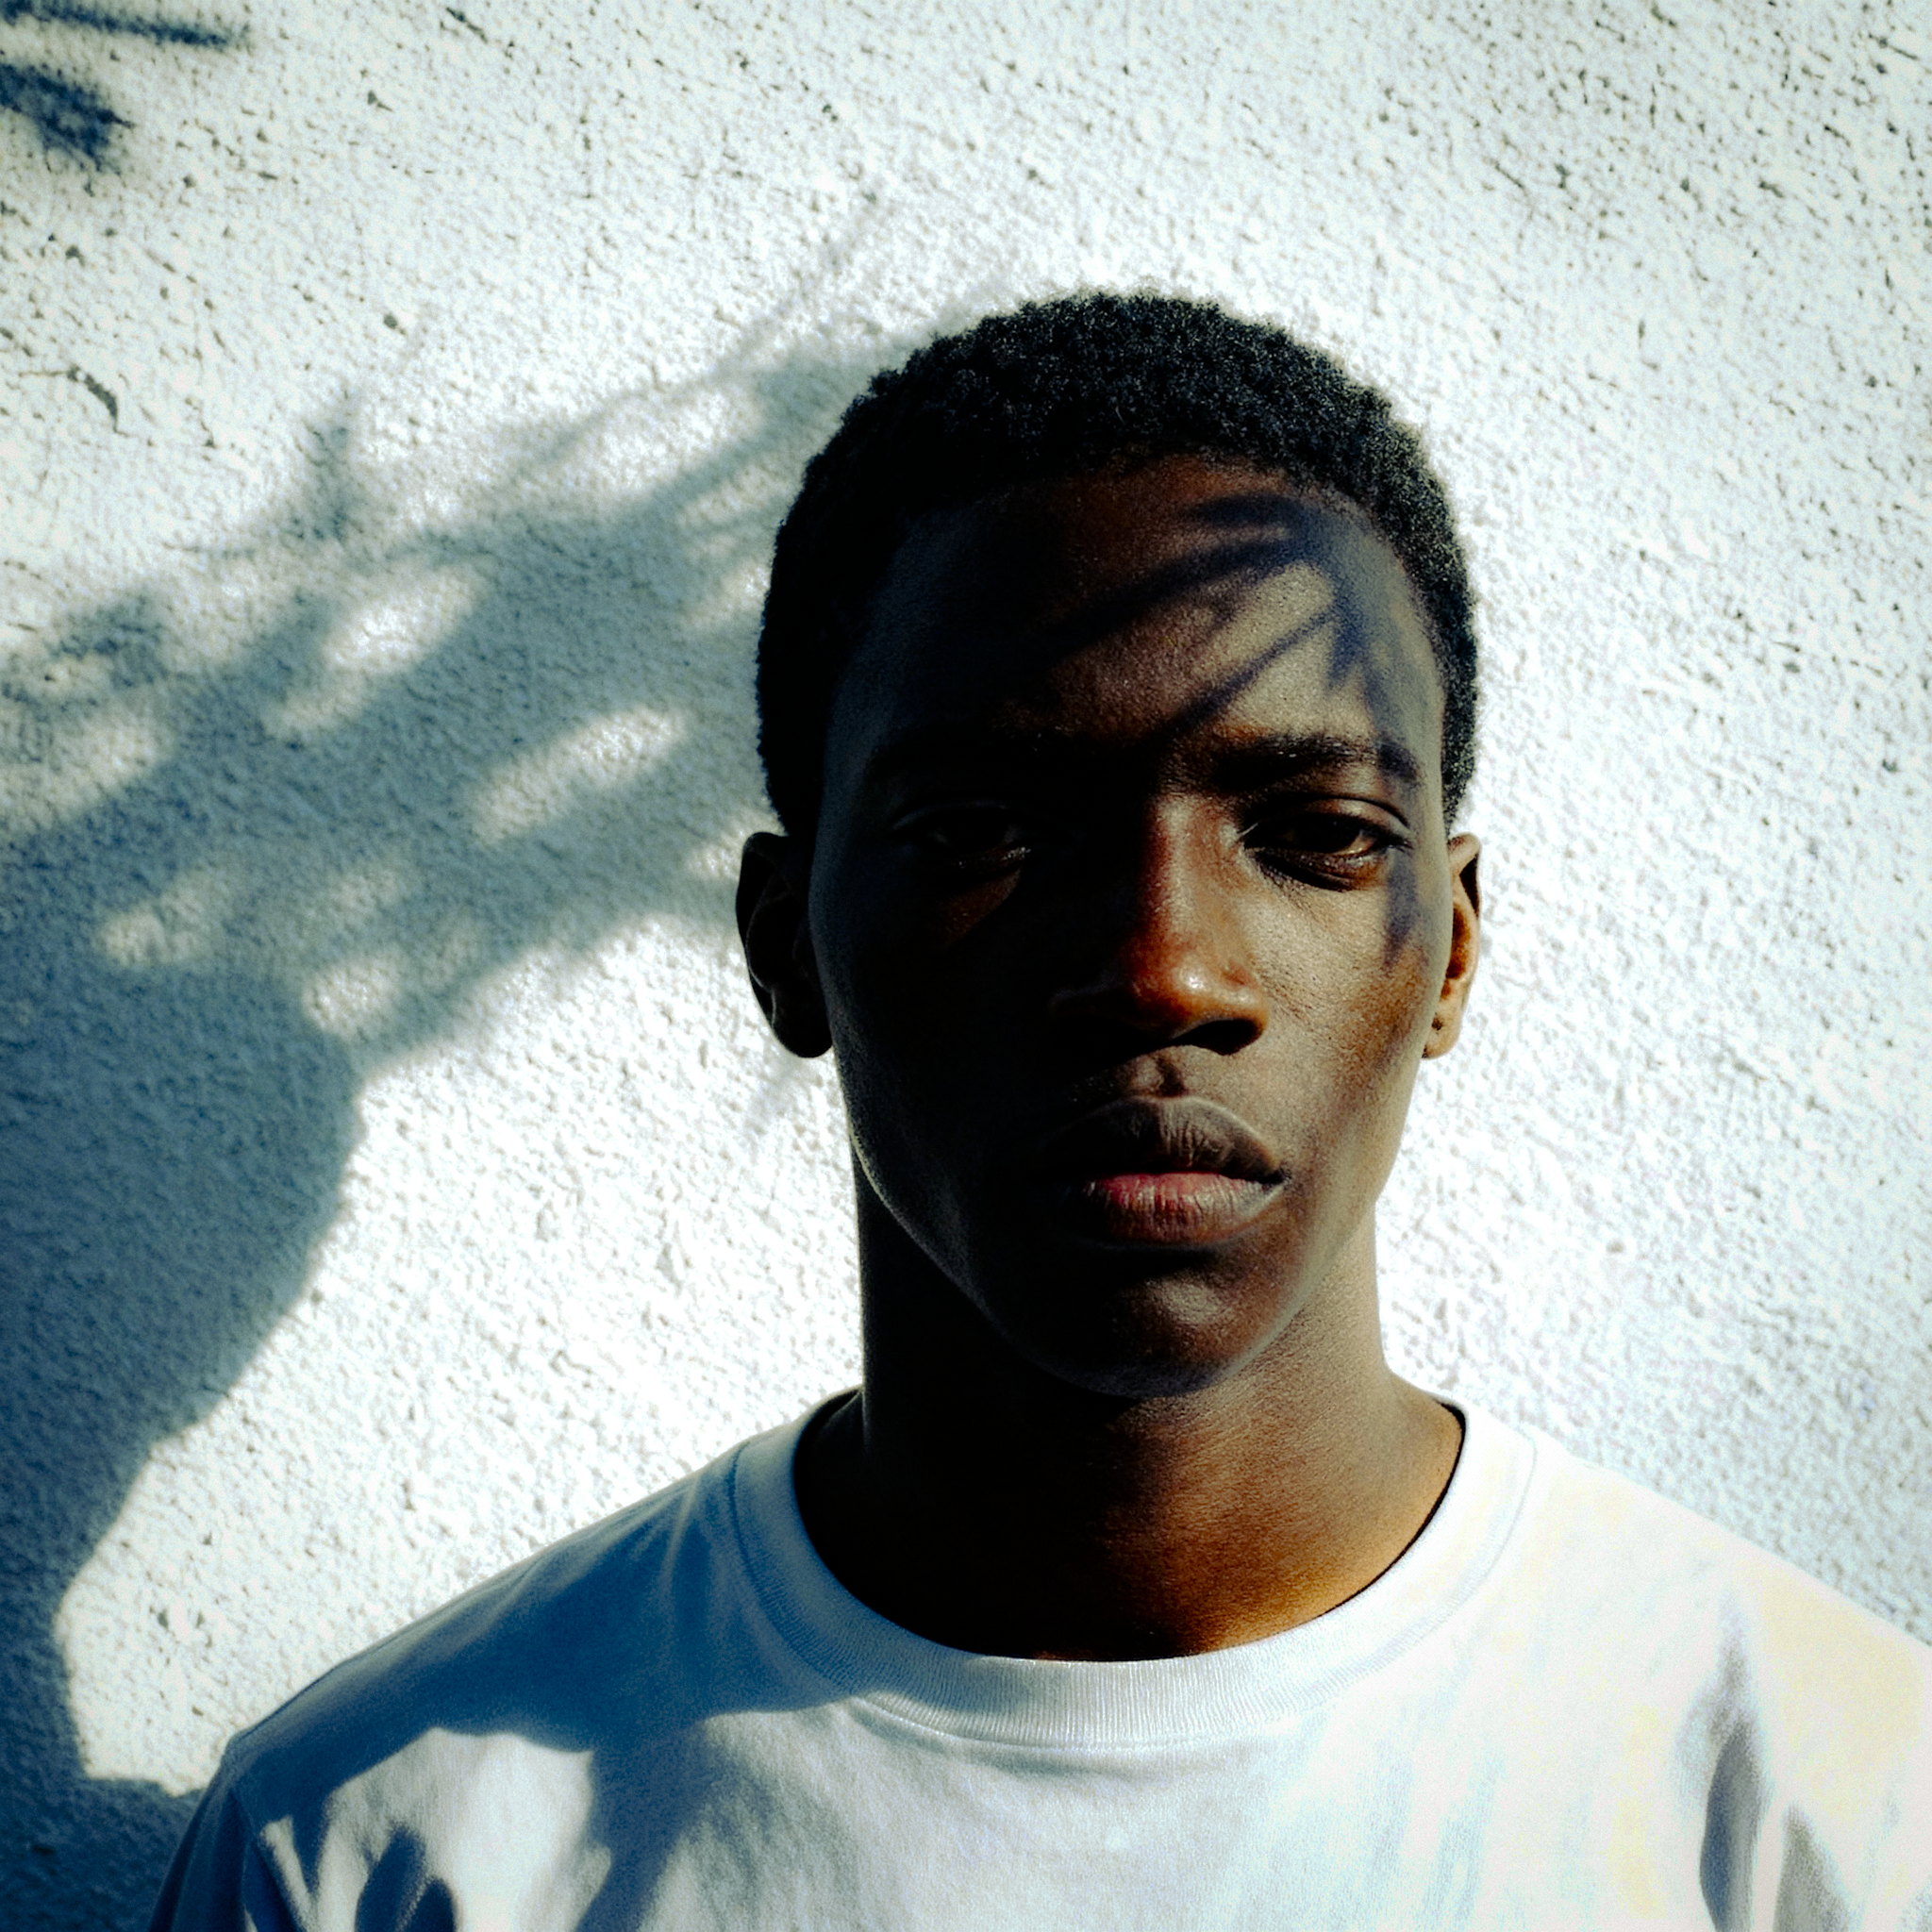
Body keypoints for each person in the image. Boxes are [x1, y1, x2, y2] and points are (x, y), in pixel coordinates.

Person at [153, 292, 1930, 1929]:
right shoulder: (379, 1845)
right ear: (791, 948)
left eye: (1316, 835)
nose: (1164, 971)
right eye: (987, 833)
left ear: (1448, 956)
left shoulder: (1843, 1811)